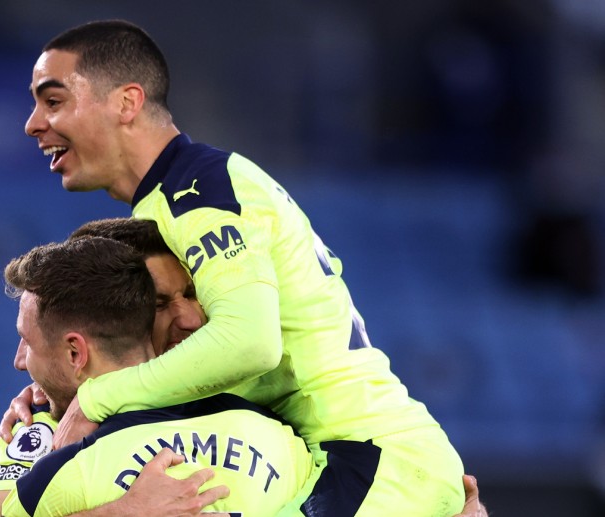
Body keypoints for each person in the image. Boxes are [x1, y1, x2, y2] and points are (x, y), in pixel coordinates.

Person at [24, 20, 466, 515]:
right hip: (349, 460)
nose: (33, 124)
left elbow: (249, 341)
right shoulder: (173, 200)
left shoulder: (200, 193)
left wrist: (97, 398)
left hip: (370, 460)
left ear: (127, 103)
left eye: (53, 101)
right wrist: (55, 392)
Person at [1, 217, 488, 517]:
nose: (191, 319)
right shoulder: (40, 432)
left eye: (193, 294)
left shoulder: (275, 415)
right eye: (160, 304)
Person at [0, 236, 314, 516]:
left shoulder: (60, 476)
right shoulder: (286, 443)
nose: (19, 361)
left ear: (75, 353)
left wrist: (121, 513)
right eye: (162, 303)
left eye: (28, 341)